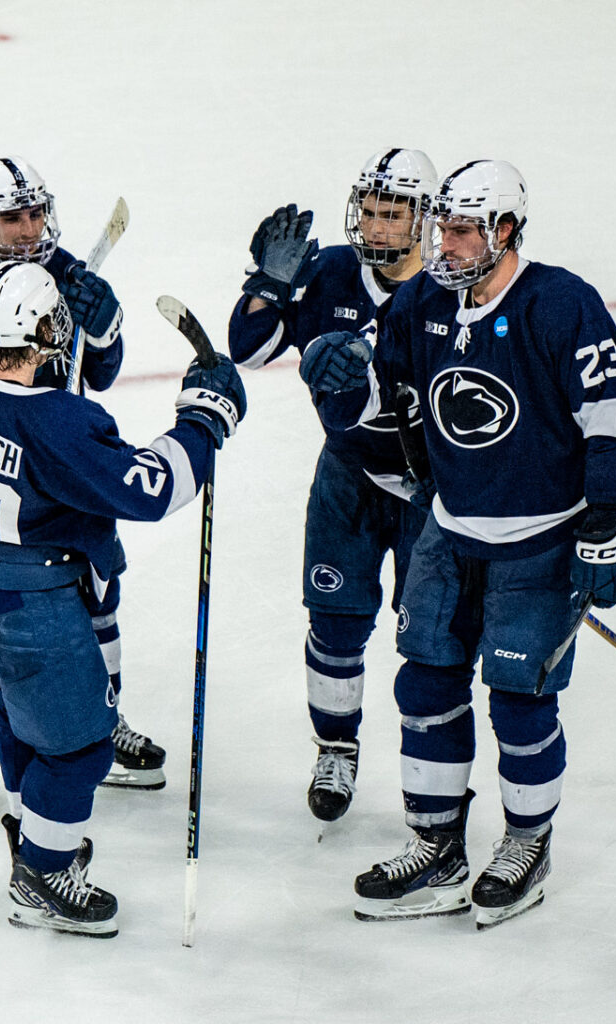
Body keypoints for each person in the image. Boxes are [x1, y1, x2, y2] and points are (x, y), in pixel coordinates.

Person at [300, 159, 616, 929]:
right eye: (443, 229)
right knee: (425, 689)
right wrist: (343, 385)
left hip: (537, 545)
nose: (445, 245)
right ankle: (438, 846)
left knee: (521, 703)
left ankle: (527, 843)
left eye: (462, 231)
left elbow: (612, 423)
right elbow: (386, 397)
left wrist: (606, 520)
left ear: (505, 230)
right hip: (446, 534)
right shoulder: (420, 303)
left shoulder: (562, 306)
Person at [0, 260, 248, 936]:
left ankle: (37, 838)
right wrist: (204, 420)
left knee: (17, 718)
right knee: (79, 748)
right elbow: (148, 489)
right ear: (41, 330)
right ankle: (45, 873)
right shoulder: (60, 421)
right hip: (38, 608)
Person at [0, 156, 166, 797]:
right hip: (6, 478)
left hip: (69, 473)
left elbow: (101, 371)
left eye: (34, 213)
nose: (28, 229)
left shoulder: (64, 275)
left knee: (97, 600)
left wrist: (105, 324)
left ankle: (99, 724)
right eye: (11, 218)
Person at [226, 148, 438, 822]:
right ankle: (336, 750)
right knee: (335, 624)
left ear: (425, 220)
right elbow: (250, 347)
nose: (377, 229)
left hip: (429, 493)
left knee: (428, 640)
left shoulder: (449, 290)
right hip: (348, 475)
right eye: (370, 213)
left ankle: (428, 779)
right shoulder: (334, 274)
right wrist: (268, 284)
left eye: (393, 215)